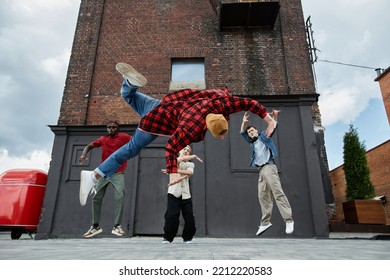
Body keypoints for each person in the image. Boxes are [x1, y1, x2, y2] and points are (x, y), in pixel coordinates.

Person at [80, 62, 277, 205]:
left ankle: (130, 82)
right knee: (131, 149)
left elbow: (249, 103)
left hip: (162, 104)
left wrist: (268, 119)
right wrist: (173, 174)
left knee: (127, 95)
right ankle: (95, 175)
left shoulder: (221, 102)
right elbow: (172, 146)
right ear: (207, 127)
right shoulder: (193, 126)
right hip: (155, 121)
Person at [240, 110, 294, 235]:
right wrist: (243, 123)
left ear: (257, 131)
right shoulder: (252, 142)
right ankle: (265, 223)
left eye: (252, 130)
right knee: (263, 196)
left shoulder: (264, 136)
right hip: (261, 171)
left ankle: (288, 220)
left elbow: (273, 126)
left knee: (277, 193)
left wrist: (274, 116)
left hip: (269, 167)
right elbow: (242, 132)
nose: (250, 132)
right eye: (249, 132)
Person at [79, 121, 131, 238]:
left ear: (118, 129)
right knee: (96, 197)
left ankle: (117, 226)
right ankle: (95, 226)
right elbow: (90, 146)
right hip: (103, 173)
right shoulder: (103, 139)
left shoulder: (124, 137)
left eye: (114, 127)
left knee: (120, 196)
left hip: (118, 173)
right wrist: (83, 154)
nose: (111, 129)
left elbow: (135, 141)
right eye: (109, 127)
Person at [161, 145, 202, 244]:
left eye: (188, 150)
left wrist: (174, 171)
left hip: (186, 194)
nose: (186, 151)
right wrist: (194, 156)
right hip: (173, 192)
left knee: (189, 217)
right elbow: (178, 162)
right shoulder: (173, 160)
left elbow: (189, 173)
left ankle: (187, 238)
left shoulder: (190, 165)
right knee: (171, 215)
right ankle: (168, 237)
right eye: (184, 149)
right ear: (179, 150)